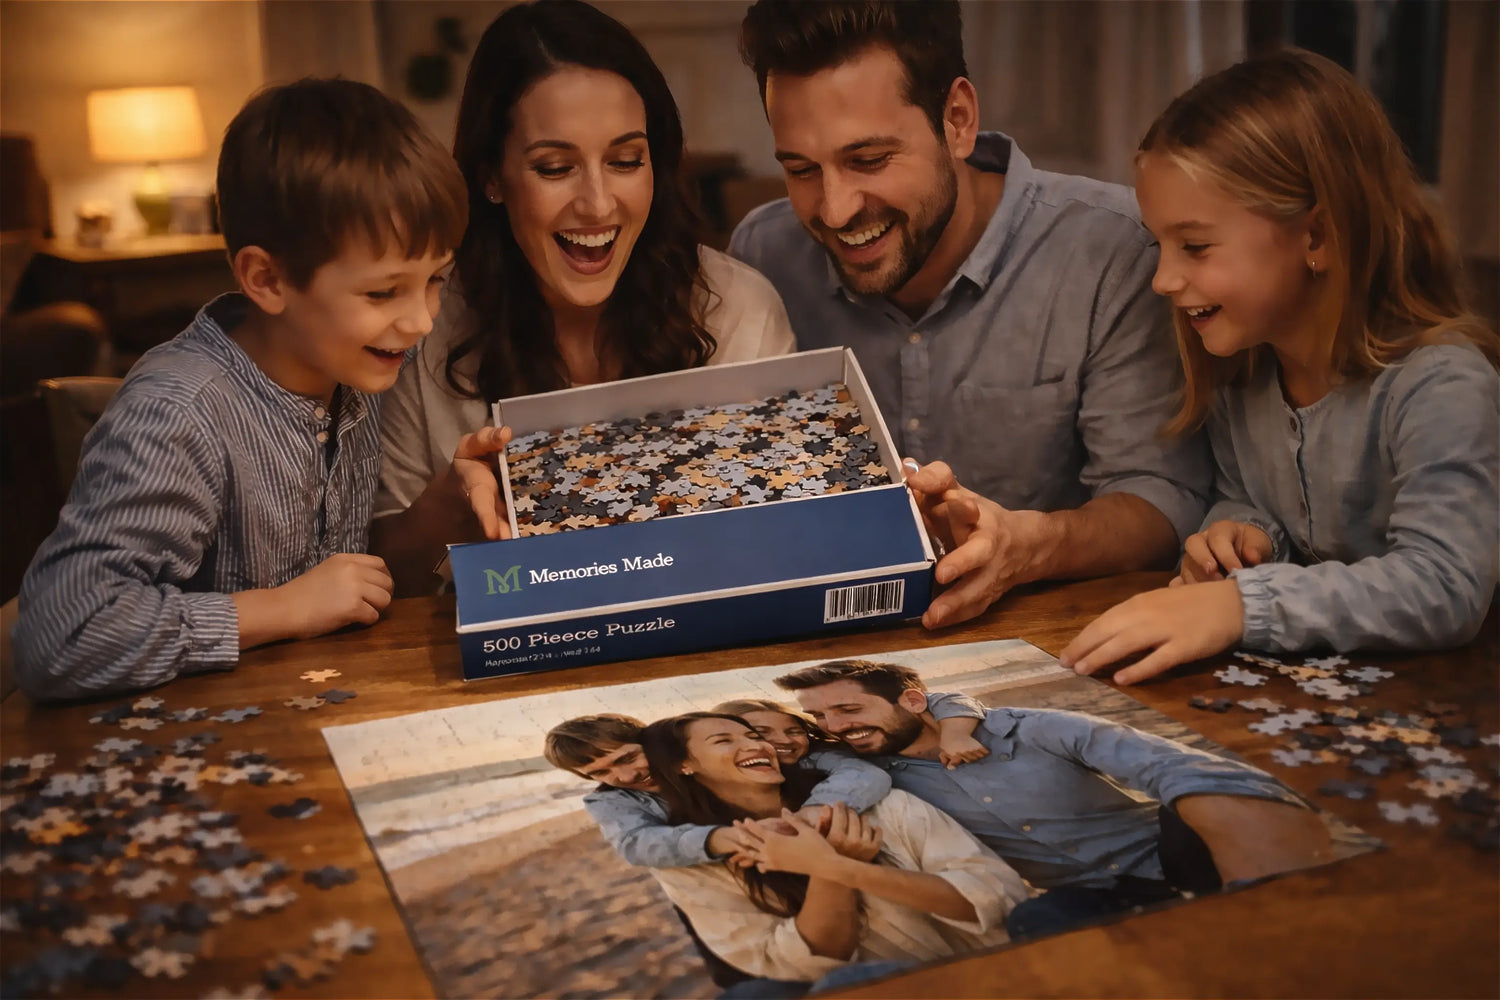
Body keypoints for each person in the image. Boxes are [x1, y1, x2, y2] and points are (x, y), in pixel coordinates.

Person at [729, 0, 1210, 630]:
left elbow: (1162, 500)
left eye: (868, 160)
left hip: (1054, 640)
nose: (837, 209)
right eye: (799, 169)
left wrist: (1030, 546)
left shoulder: (1114, 251)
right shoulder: (764, 256)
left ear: (957, 120)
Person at [11, 79, 466, 702]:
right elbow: (57, 638)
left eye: (436, 279)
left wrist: (445, 508)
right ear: (266, 279)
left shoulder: (353, 373)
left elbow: (346, 585)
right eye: (383, 292)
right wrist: (279, 609)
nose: (422, 320)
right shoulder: (178, 413)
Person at [1060, 50, 1500, 685]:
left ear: (1316, 237)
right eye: (1160, 245)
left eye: (1196, 246)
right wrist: (1239, 536)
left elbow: (1444, 584)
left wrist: (1239, 605)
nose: (1163, 278)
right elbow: (1247, 497)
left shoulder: (1443, 386)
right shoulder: (1247, 378)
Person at [373, 0, 797, 594]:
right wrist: (452, 504)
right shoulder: (424, 322)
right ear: (492, 176)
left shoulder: (739, 308)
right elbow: (384, 577)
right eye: (554, 167)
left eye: (626, 161)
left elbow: (781, 546)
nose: (597, 204)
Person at [775, 659, 1333, 939]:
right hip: (1094, 896)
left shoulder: (1026, 728)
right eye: (820, 716)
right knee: (1039, 921)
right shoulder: (866, 768)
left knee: (1203, 788)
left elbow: (1168, 765)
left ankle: (1277, 919)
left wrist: (956, 724)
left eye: (849, 709)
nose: (835, 726)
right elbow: (827, 769)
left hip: (1175, 852)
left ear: (914, 700)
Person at [640, 712, 1027, 982]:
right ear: (683, 765)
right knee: (862, 980)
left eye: (754, 736)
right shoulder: (692, 863)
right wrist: (830, 871)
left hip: (996, 965)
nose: (762, 745)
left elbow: (996, 895)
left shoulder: (880, 804)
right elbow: (793, 965)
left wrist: (841, 867)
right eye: (724, 740)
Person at [714, 693, 990, 770]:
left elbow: (942, 699)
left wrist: (955, 734)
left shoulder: (821, 757)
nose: (784, 740)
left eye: (793, 730)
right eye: (760, 733)